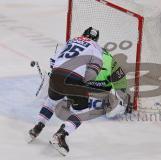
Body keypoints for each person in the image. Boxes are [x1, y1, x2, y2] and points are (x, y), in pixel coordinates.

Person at [28, 27, 130, 155]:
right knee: (81, 112)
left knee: (51, 101)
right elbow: (94, 73)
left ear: (83, 35)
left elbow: (53, 63)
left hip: (57, 75)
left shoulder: (71, 41)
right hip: (78, 81)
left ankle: (37, 127)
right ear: (97, 40)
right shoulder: (98, 49)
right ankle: (61, 135)